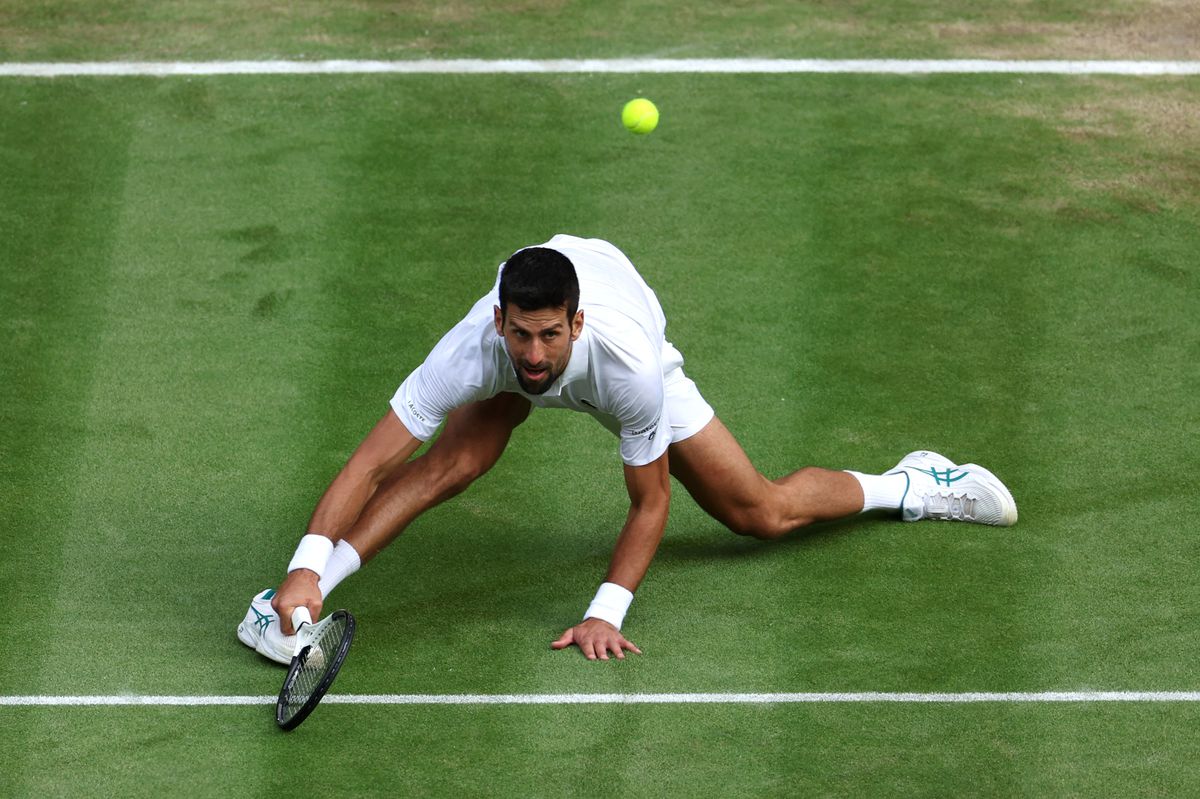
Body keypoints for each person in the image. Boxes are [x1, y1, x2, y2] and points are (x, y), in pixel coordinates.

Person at [237, 234, 1017, 663]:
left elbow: (652, 501)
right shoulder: (475, 351)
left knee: (760, 512)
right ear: (499, 322)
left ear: (574, 325)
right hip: (548, 316)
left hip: (628, 328)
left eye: (548, 335)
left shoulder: (631, 370)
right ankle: (301, 602)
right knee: (453, 460)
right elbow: (371, 461)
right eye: (519, 333)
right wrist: (304, 565)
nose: (534, 353)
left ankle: (912, 484)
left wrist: (604, 611)